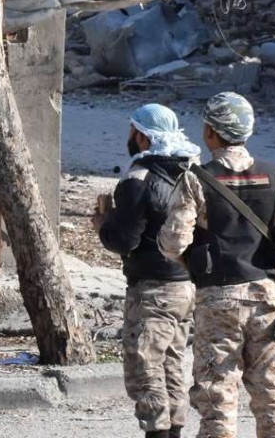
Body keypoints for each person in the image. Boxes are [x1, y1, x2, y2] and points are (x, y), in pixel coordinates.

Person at [158, 92, 275, 438]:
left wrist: (196, 263)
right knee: (272, 395)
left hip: (218, 301)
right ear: (247, 131)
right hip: (269, 301)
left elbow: (173, 242)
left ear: (210, 133)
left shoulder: (195, 179)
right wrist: (273, 252)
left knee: (217, 397)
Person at [94, 104, 200, 438]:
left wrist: (103, 225)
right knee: (171, 365)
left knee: (144, 371)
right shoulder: (191, 171)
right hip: (187, 286)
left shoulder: (138, 178)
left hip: (153, 289)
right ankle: (175, 430)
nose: (130, 138)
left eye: (132, 131)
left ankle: (158, 432)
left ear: (142, 136)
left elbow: (125, 240)